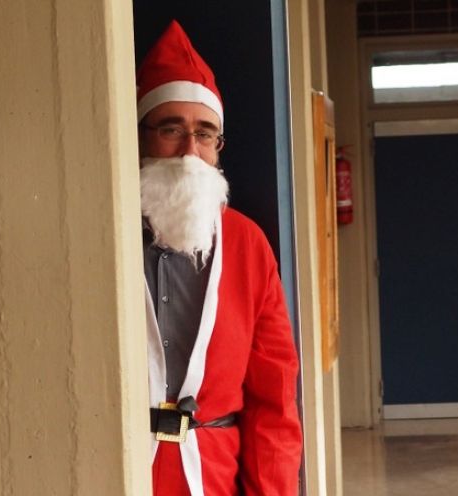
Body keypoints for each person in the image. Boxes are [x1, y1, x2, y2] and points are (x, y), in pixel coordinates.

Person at [137, 20, 303, 496]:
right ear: (140, 134)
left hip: (213, 476)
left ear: (218, 146)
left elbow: (274, 398)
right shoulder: (100, 237)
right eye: (171, 129)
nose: (190, 151)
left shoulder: (247, 244)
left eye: (205, 133)